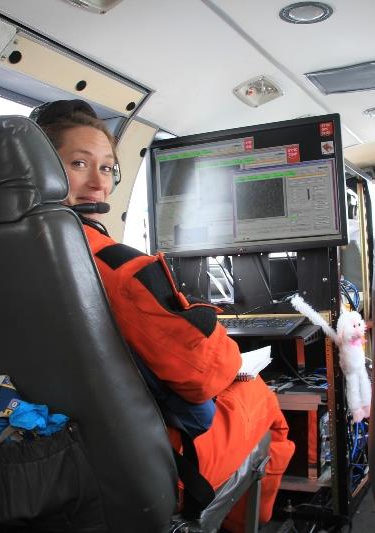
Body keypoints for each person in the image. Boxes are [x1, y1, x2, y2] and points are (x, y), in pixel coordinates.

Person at [32, 99, 295, 531]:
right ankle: (241, 522)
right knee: (262, 398)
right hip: (146, 465)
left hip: (44, 458)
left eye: (107, 168)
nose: (98, 183)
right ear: (41, 172)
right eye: (79, 164)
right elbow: (202, 376)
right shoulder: (115, 266)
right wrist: (229, 357)